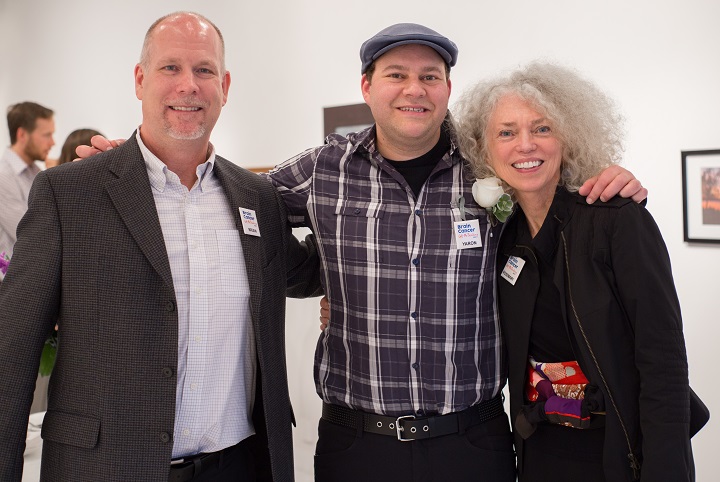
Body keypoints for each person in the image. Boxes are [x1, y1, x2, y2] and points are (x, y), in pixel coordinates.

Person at [79, 23, 647, 482]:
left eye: (430, 76)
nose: (414, 89)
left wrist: (609, 176)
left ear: (448, 88)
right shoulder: (323, 168)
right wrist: (127, 171)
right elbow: (225, 213)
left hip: (474, 443)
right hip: (357, 447)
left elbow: (550, 186)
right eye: (396, 74)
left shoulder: (486, 165)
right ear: (367, 86)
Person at [0, 11, 318, 482]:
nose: (188, 85)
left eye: (204, 70)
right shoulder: (71, 194)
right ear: (140, 78)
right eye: (171, 67)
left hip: (240, 467)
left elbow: (314, 270)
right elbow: (13, 348)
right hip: (105, 468)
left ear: (225, 86)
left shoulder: (258, 199)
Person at [453, 61, 697, 481]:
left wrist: (666, 468)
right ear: (484, 148)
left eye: (543, 129)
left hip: (618, 450)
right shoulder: (502, 236)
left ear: (570, 136)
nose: (525, 145)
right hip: (538, 451)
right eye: (506, 133)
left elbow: (664, 362)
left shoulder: (617, 220)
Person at [0, 101, 55, 257]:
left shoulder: (35, 171)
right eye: (47, 135)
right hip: (9, 280)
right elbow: (31, 233)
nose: (53, 142)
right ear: (22, 135)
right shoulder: (3, 176)